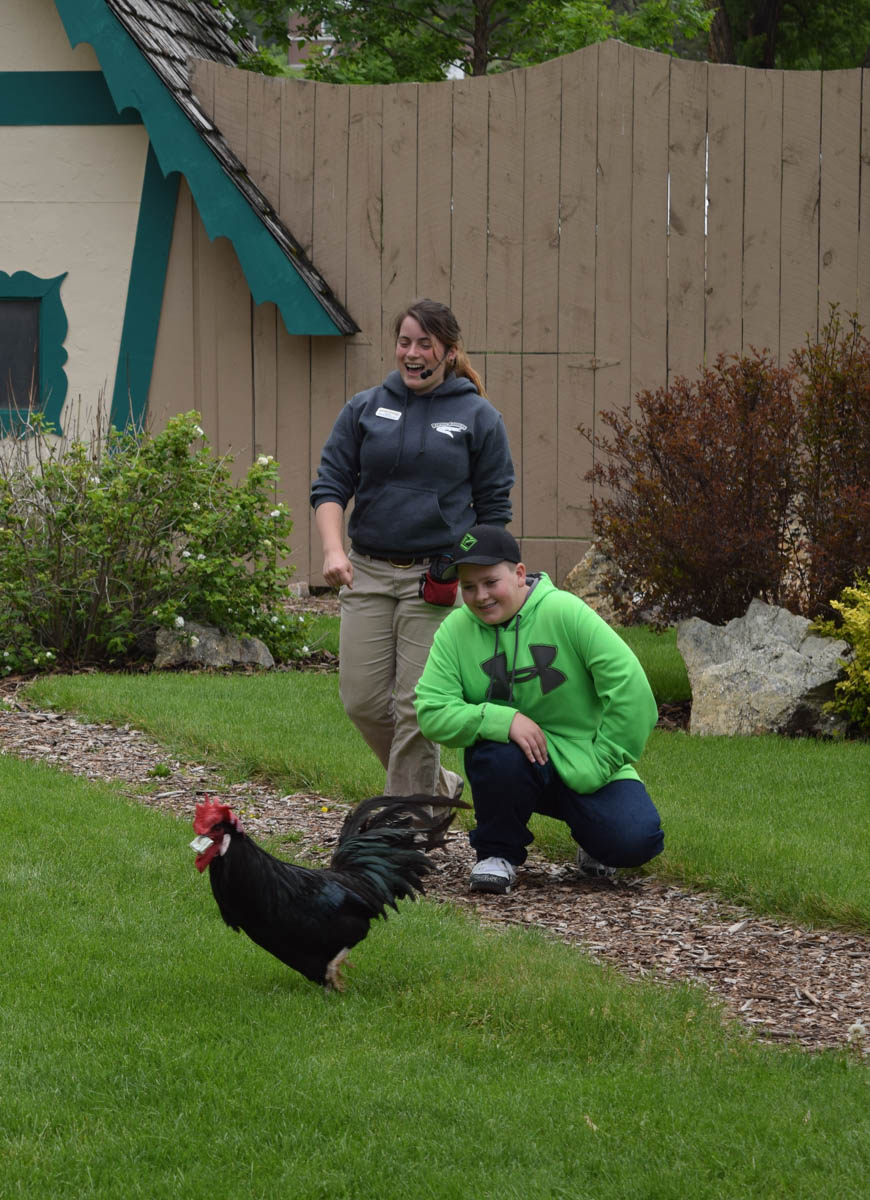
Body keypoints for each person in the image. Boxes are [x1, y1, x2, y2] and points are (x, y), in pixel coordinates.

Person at [310, 300, 515, 801]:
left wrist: (471, 572)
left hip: (437, 581)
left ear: (448, 351)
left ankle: (407, 826)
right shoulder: (364, 407)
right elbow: (331, 485)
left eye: (425, 343)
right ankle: (435, 789)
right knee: (363, 701)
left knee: (416, 707)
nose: (413, 353)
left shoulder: (478, 416)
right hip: (367, 572)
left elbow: (493, 510)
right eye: (405, 342)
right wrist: (334, 550)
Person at [414, 525, 664, 893]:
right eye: (468, 587)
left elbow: (632, 692)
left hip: (587, 758)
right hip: (514, 763)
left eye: (490, 581)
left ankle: (593, 840)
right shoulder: (455, 631)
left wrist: (600, 763)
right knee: (495, 752)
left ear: (518, 574)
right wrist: (501, 718)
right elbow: (431, 709)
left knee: (635, 840)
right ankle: (496, 853)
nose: (480, 596)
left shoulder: (565, 612)